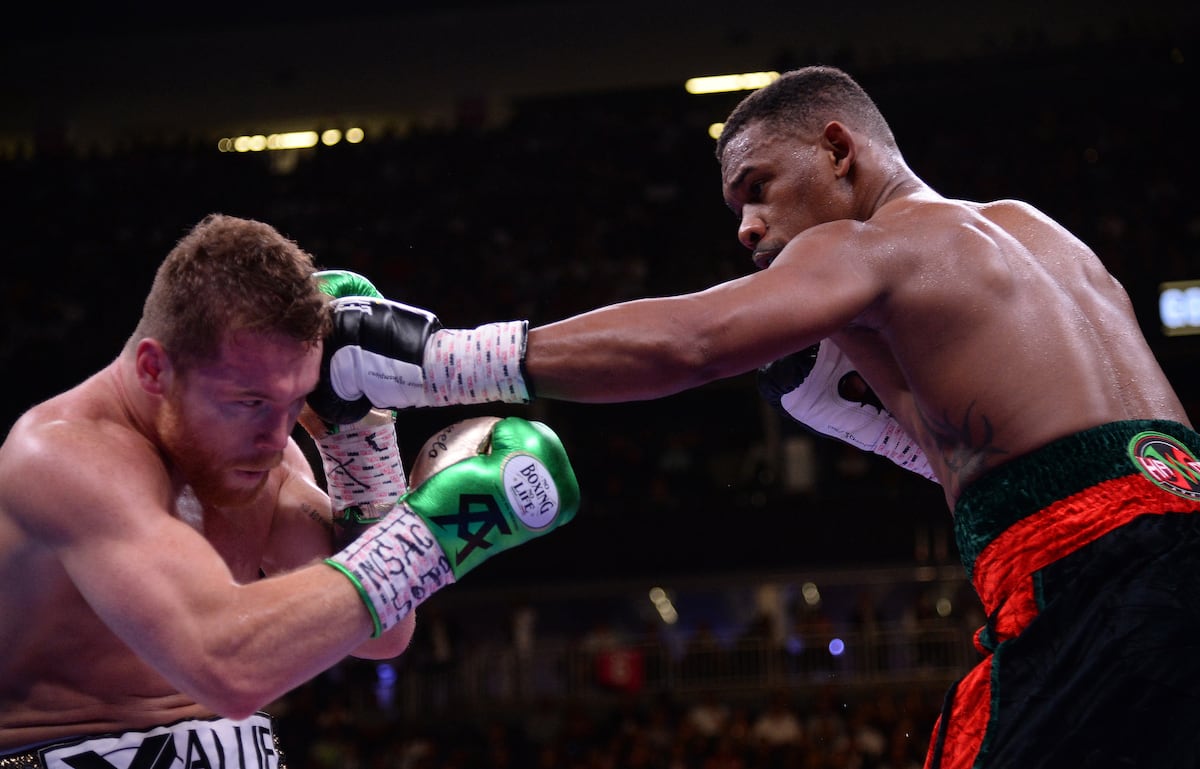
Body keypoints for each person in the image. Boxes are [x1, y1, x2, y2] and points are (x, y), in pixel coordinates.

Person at [310, 66, 1200, 767]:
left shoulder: (872, 242)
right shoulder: (1049, 240)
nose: (747, 226)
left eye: (760, 188)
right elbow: (1059, 465)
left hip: (1093, 588)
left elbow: (693, 341)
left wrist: (431, 362)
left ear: (840, 149)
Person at [0, 214, 579, 767]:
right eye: (250, 403)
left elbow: (385, 633)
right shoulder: (62, 456)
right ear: (156, 371)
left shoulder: (260, 459)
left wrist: (358, 432)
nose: (278, 436)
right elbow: (227, 667)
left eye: (295, 401)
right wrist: (439, 529)